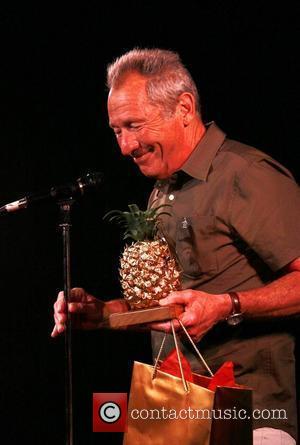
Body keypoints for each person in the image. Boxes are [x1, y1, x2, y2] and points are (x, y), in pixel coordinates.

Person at [52, 48, 300, 444]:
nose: (125, 146)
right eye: (117, 130)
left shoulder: (245, 174)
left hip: (251, 418)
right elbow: (171, 306)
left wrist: (227, 306)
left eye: (133, 125)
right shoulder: (162, 191)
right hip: (177, 415)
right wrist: (101, 313)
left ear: (184, 108)